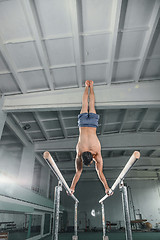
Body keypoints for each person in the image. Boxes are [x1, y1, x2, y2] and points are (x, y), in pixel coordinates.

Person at [70, 80, 112, 196]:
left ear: (92, 157)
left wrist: (107, 188)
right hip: (83, 124)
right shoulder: (80, 151)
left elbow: (99, 172)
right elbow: (78, 172)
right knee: (85, 103)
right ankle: (88, 86)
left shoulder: (96, 153)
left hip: (93, 124)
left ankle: (91, 86)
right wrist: (72, 187)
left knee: (91, 104)